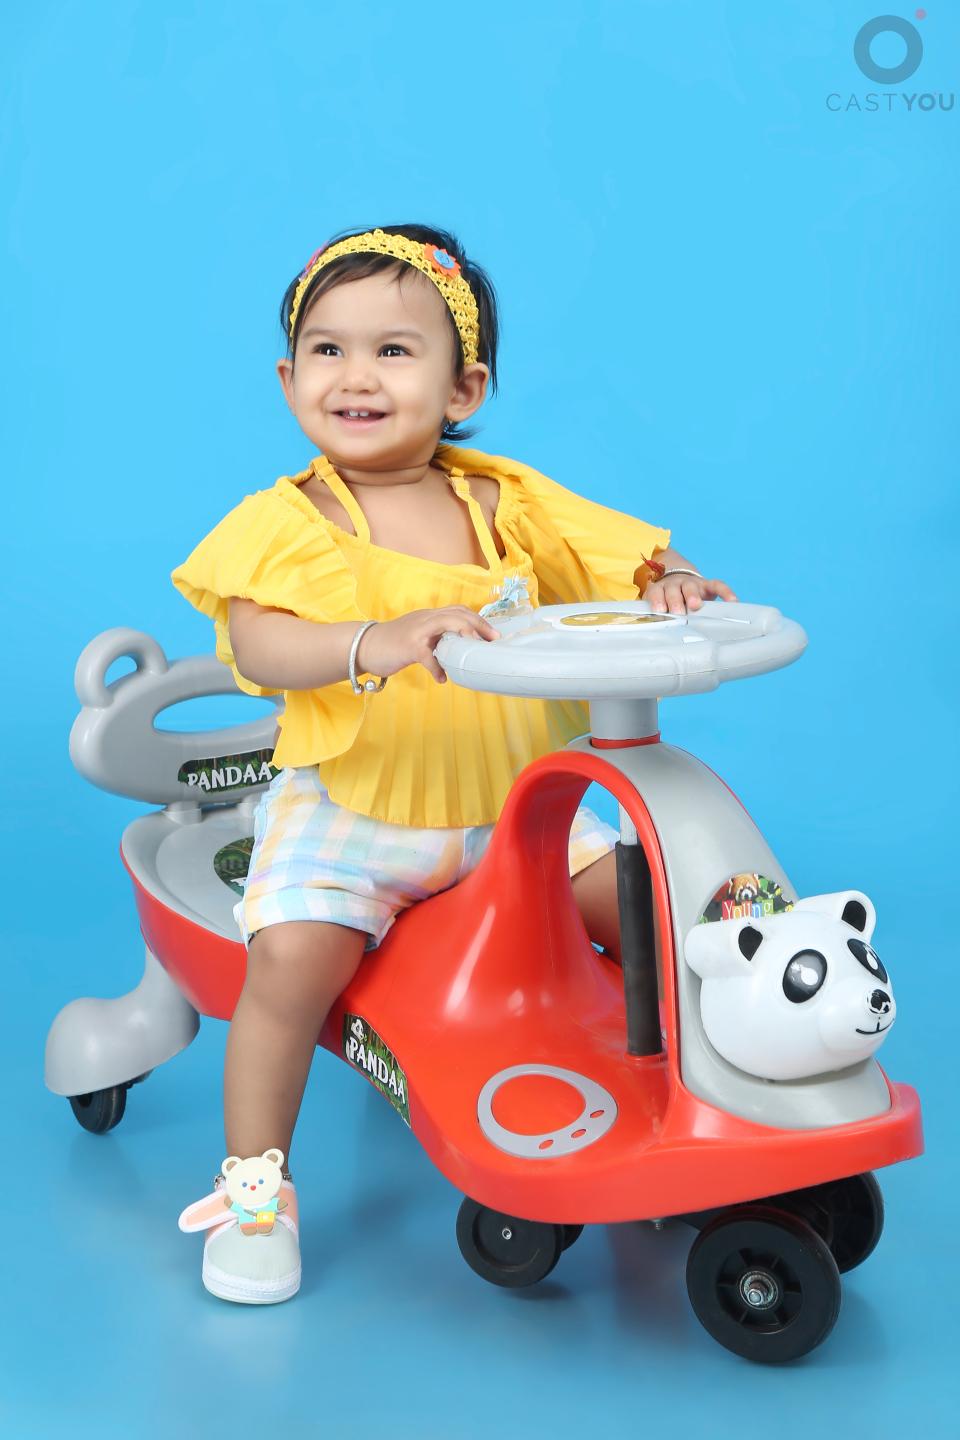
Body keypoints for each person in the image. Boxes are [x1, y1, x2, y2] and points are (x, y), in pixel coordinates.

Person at [171, 223, 737, 1304]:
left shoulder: (503, 501)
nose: (356, 376)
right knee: (288, 966)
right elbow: (258, 644)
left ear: (462, 387)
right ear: (290, 380)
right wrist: (370, 642)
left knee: (657, 919)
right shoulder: (285, 522)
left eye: (393, 351)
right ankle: (255, 1186)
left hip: (516, 810)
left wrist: (669, 579)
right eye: (328, 350)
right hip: (356, 806)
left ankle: (689, 1103)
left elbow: (622, 553)